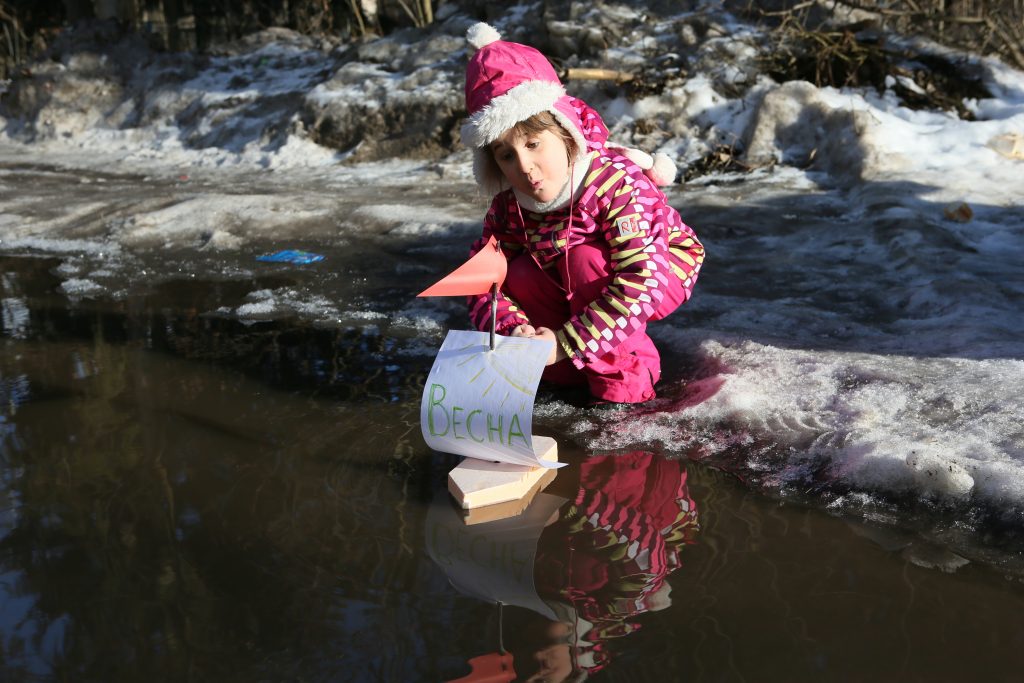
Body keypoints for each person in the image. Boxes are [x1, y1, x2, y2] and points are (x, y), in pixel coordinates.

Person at [460, 23, 705, 405]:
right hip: (570, 268)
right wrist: (516, 331)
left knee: (585, 260)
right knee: (519, 271)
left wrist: (567, 341)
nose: (526, 166)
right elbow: (482, 280)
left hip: (657, 268)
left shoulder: (614, 184)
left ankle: (623, 381)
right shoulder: (509, 207)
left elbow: (643, 280)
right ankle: (564, 370)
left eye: (534, 143)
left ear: (564, 130)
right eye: (508, 155)